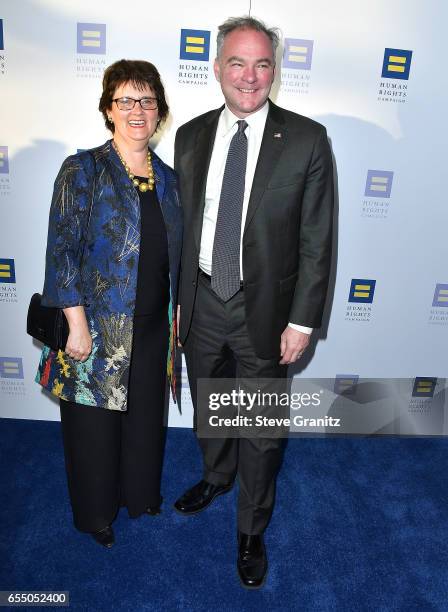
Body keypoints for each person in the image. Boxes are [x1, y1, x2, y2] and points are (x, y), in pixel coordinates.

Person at [174, 17, 333, 588]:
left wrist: (302, 320)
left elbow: (318, 238)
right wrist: (177, 300)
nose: (250, 75)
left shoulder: (308, 139)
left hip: (265, 311)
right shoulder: (189, 136)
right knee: (210, 404)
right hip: (201, 297)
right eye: (237, 63)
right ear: (216, 68)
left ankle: (251, 529)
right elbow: (183, 228)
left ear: (275, 71)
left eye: (262, 63)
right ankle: (216, 476)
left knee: (261, 427)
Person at [35, 59, 182, 548]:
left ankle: (139, 495)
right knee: (93, 428)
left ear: (159, 111)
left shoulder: (170, 179)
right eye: (126, 100)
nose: (137, 110)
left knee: (143, 422)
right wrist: (74, 322)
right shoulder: (84, 170)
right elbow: (62, 251)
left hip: (153, 327)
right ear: (108, 109)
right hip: (95, 328)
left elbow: (172, 256)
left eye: (147, 100)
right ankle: (96, 513)